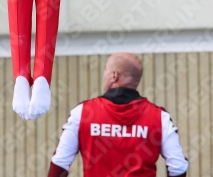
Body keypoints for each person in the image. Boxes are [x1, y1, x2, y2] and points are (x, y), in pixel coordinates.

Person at [48, 53, 188, 177]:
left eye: (105, 70)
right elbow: (178, 166)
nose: (104, 74)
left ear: (114, 75)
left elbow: (60, 162)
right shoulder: (159, 117)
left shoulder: (82, 113)